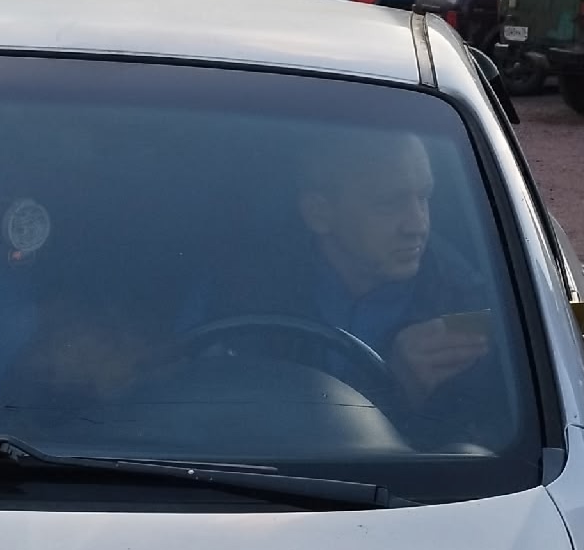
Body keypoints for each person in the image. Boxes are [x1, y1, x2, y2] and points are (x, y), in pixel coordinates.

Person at [180, 129, 492, 424]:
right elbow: (185, 403)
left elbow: (480, 441)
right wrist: (393, 387)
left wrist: (412, 400)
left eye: (424, 197)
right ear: (319, 213)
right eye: (389, 204)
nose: (418, 225)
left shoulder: (468, 307)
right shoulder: (239, 289)